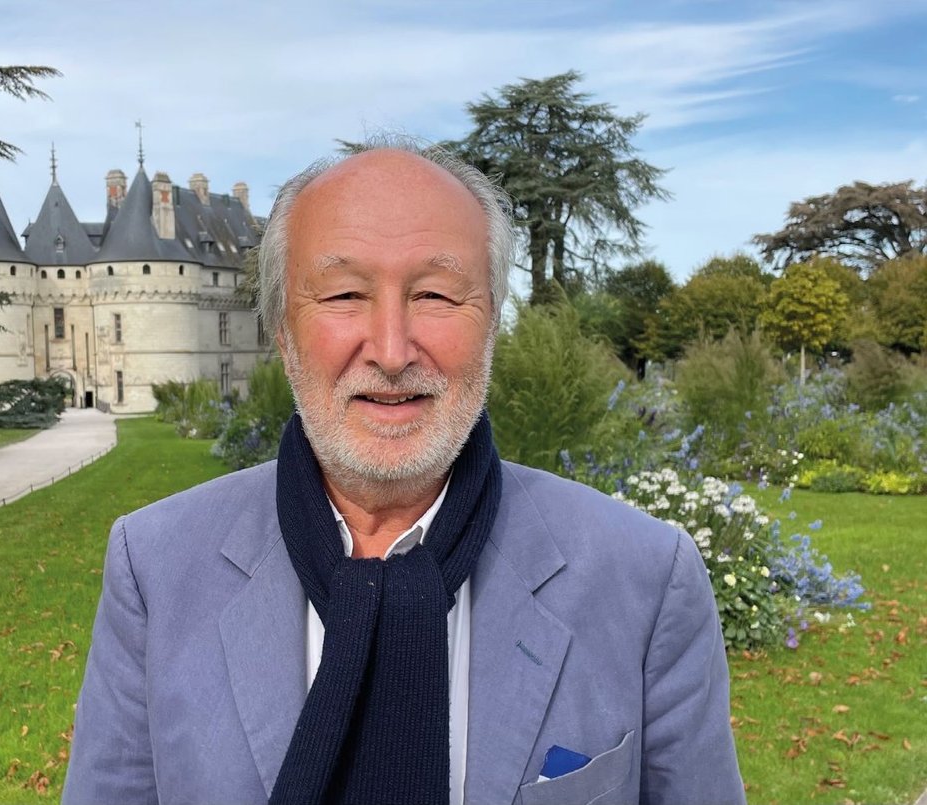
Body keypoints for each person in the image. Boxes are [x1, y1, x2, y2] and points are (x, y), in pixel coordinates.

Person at [61, 138, 746, 805]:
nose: (391, 351)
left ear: (493, 324)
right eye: (343, 295)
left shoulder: (646, 579)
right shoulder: (154, 568)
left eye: (437, 296)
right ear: (282, 333)